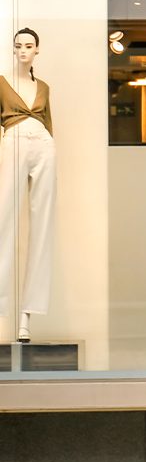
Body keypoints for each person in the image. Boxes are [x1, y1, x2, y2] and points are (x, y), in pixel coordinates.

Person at [0, 28, 56, 344]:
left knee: (42, 226)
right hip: (14, 142)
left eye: (29, 46)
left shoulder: (44, 87)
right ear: (13, 49)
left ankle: (27, 317)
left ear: (37, 50)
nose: (23, 50)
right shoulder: (1, 83)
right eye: (18, 45)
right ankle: (3, 307)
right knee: (4, 221)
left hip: (44, 146)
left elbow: (50, 123)